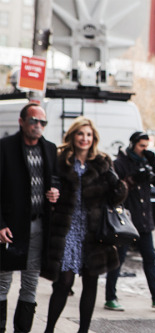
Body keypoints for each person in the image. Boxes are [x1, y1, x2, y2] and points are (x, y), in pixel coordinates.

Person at [42, 117, 128, 333]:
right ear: (73, 135)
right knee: (63, 283)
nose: (84, 138)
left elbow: (117, 196)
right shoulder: (60, 160)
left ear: (94, 138)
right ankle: (49, 329)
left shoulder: (102, 162)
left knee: (90, 283)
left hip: (94, 231)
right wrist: (51, 195)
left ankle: (83, 331)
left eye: (89, 135)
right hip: (66, 229)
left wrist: (116, 183)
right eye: (81, 134)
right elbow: (48, 188)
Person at [0, 103, 59, 333]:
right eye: (34, 120)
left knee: (30, 284)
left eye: (42, 122)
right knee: (3, 283)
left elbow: (55, 179)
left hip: (38, 226)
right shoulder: (5, 148)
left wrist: (55, 190)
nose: (38, 126)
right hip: (10, 228)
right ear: (21, 121)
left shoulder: (50, 149)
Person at [104, 131, 155, 311]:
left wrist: (153, 161)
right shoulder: (120, 163)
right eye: (141, 146)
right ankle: (110, 297)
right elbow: (113, 189)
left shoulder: (146, 161)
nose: (144, 150)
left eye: (147, 146)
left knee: (150, 258)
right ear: (132, 144)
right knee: (118, 259)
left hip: (144, 221)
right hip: (126, 221)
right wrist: (133, 179)